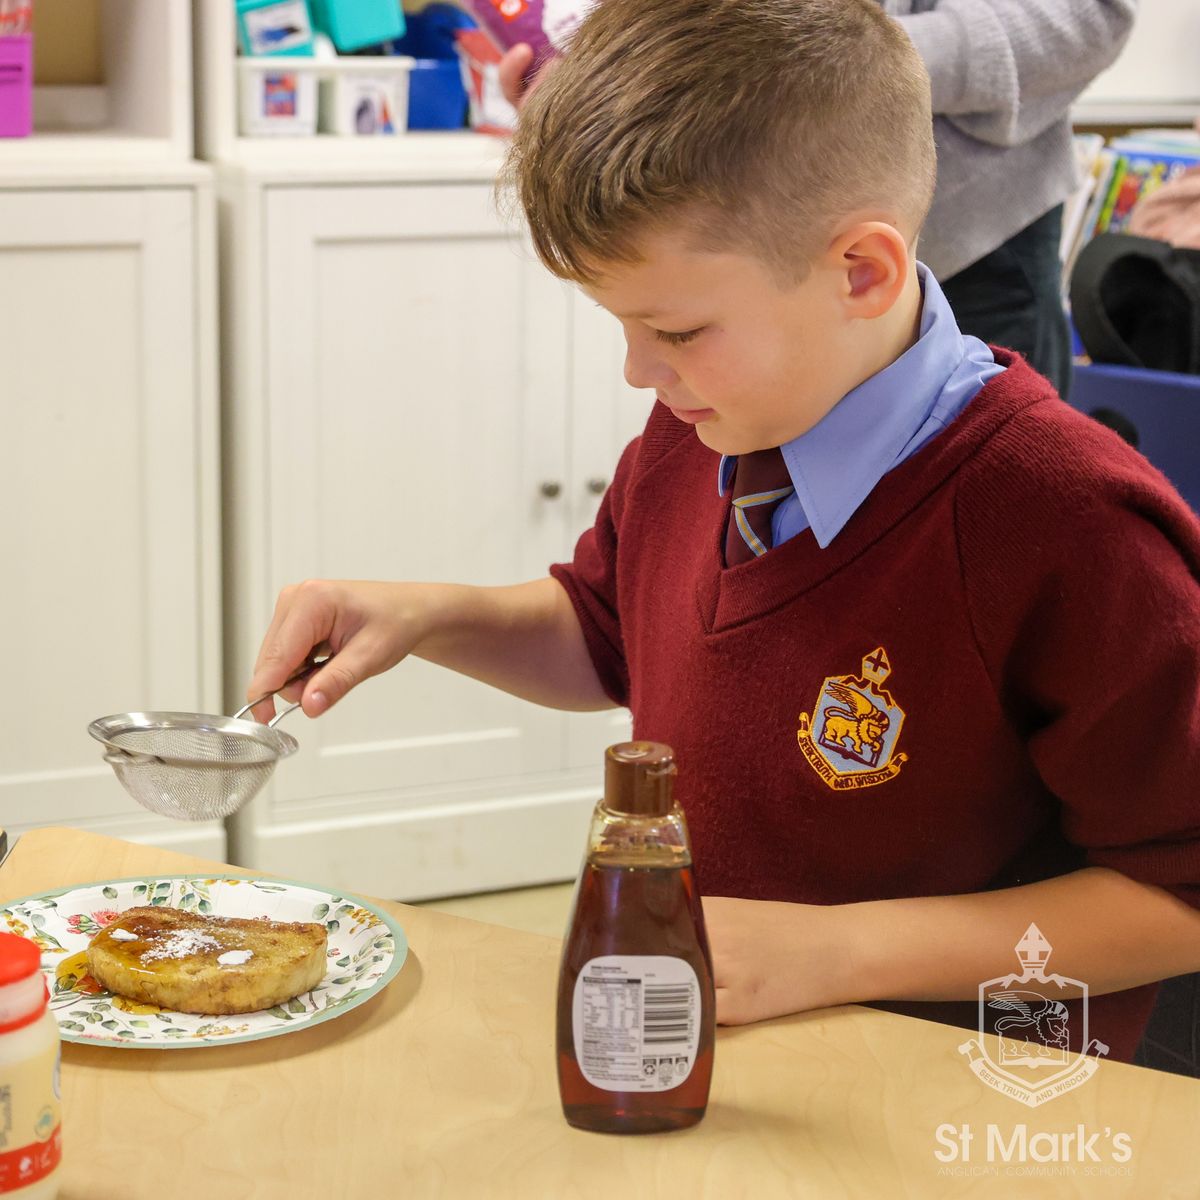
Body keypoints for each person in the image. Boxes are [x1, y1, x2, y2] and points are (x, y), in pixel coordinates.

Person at [248, 0, 1200, 1061]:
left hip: (959, 1094)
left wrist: (838, 954)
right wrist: (427, 617)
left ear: (862, 272)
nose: (637, 371)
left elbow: (1179, 898)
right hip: (739, 1059)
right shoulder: (708, 423)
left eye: (677, 329)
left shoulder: (1066, 519)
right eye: (621, 325)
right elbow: (610, 631)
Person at [499, 1, 1138, 400]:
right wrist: (601, 92)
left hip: (981, 252)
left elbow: (1087, 16)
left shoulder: (1045, 490)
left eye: (676, 333)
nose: (635, 375)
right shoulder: (699, 402)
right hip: (730, 238)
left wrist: (826, 69)